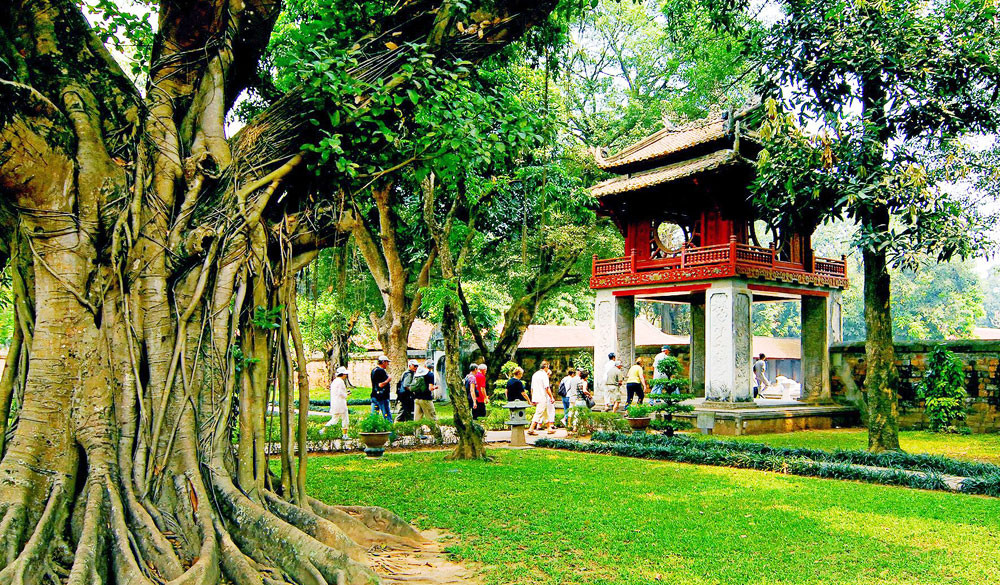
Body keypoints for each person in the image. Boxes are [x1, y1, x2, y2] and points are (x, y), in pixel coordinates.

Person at [528, 361, 555, 435]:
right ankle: (531, 428)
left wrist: (532, 398)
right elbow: (547, 387)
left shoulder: (535, 374)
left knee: (545, 413)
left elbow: (532, 388)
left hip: (536, 396)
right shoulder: (544, 375)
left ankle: (549, 428)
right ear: (546, 367)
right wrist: (551, 397)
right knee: (539, 413)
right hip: (542, 396)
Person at [325, 366, 350, 432]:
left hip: (334, 403)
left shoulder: (335, 381)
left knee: (334, 419)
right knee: (345, 419)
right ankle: (345, 434)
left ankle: (323, 430)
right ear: (343, 374)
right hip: (341, 403)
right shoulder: (340, 382)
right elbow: (340, 393)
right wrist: (346, 394)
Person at [567, 370, 592, 434]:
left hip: (577, 400)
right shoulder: (584, 382)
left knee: (577, 414)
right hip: (582, 401)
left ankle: (575, 427)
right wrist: (589, 394)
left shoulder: (579, 382)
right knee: (585, 414)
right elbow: (584, 390)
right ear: (586, 376)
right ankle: (586, 428)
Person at [370, 356, 393, 422]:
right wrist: (388, 380)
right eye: (387, 362)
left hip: (374, 395)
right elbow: (380, 385)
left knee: (374, 415)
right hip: (382, 397)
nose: (387, 364)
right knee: (387, 415)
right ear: (383, 362)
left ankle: (373, 428)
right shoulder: (381, 371)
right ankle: (390, 429)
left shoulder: (374, 370)